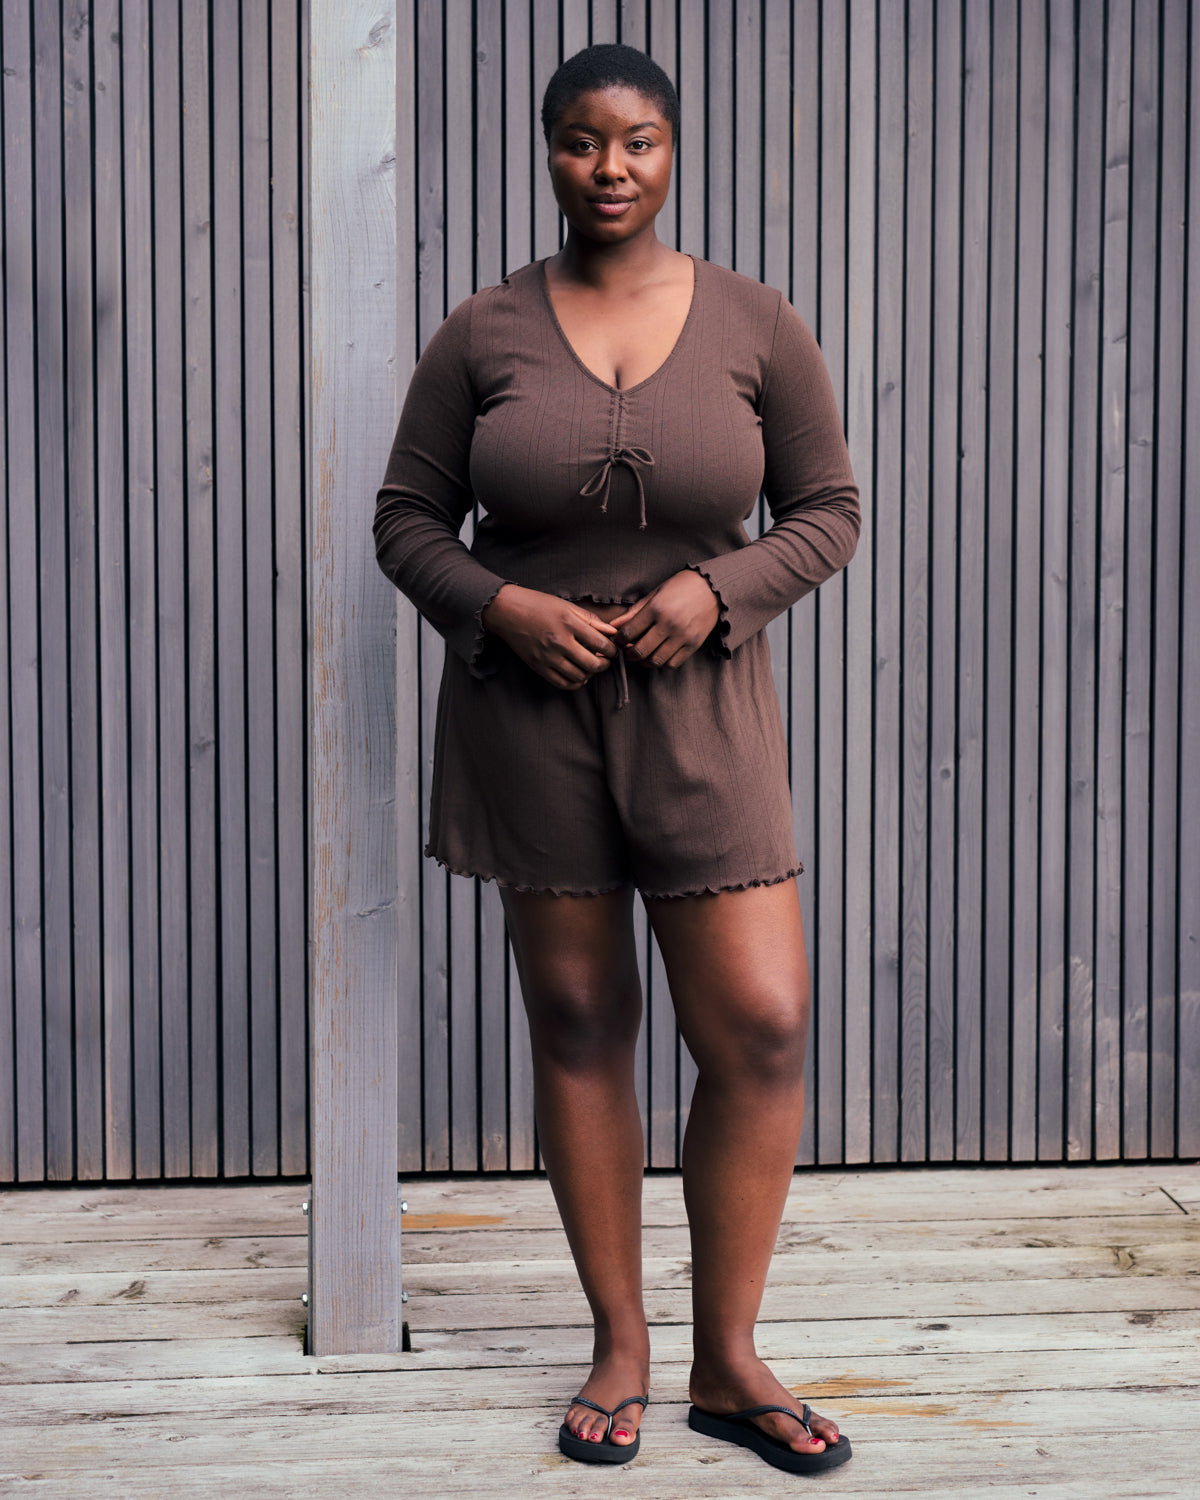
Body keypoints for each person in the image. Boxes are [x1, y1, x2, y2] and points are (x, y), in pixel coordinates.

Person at [374, 43, 859, 1476]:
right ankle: (624, 1350)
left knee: (762, 1024)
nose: (610, 169)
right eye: (582, 143)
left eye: (636, 143)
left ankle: (731, 1356)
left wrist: (726, 590)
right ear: (549, 152)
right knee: (581, 1027)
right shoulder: (482, 330)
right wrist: (498, 605)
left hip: (704, 713)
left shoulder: (758, 324)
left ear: (671, 151)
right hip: (533, 720)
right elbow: (406, 522)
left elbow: (828, 507)